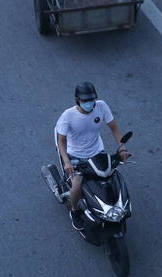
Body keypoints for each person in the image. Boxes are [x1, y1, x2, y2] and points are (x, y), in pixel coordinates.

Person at [56, 82, 131, 230]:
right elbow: (61, 141)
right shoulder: (68, 116)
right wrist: (67, 161)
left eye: (92, 100)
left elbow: (114, 128)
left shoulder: (101, 106)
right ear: (77, 100)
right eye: (85, 101)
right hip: (76, 156)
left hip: (97, 152)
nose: (90, 104)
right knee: (76, 187)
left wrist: (122, 149)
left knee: (112, 178)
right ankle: (75, 210)